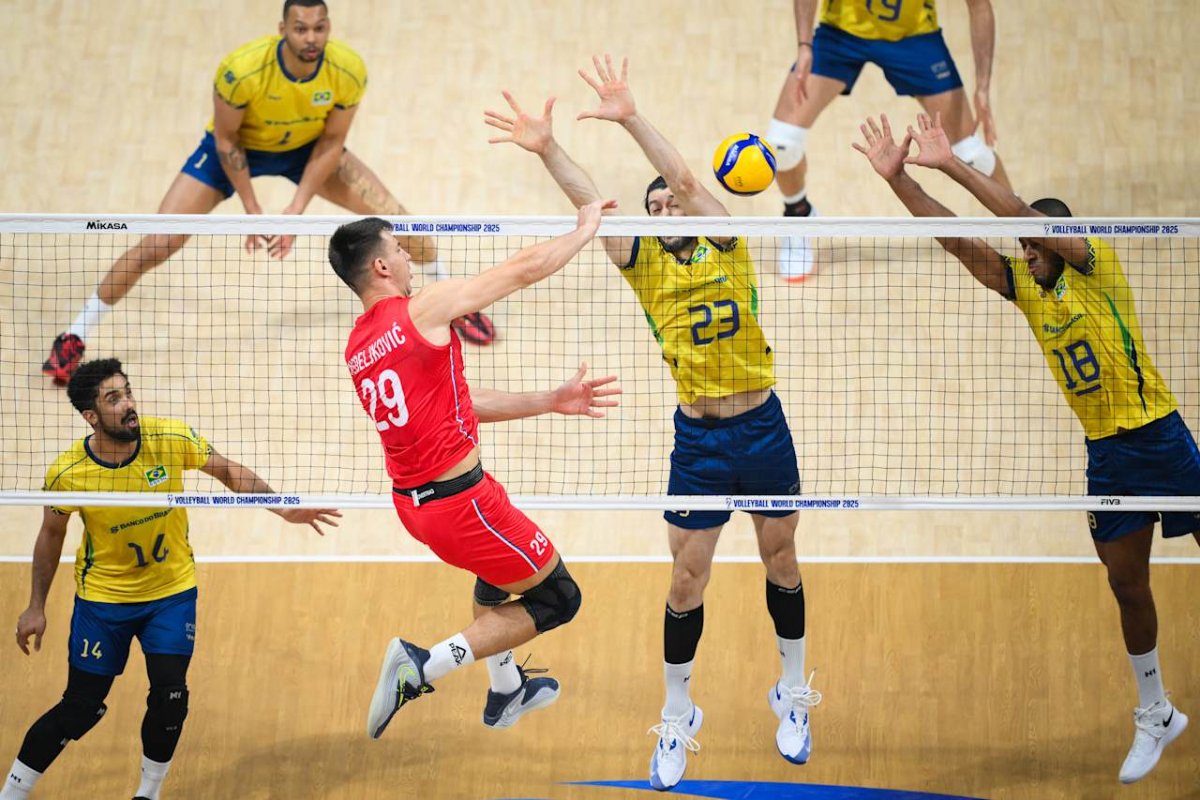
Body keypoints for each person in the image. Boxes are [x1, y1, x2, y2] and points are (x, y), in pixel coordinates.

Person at [484, 55, 819, 790]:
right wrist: (546, 148)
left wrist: (632, 115)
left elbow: (692, 182)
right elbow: (591, 202)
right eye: (655, 204)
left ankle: (792, 692)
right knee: (685, 582)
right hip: (699, 440)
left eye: (672, 200)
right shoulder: (641, 264)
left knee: (782, 561)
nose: (667, 206)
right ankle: (677, 716)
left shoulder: (726, 247)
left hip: (762, 427)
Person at [855, 111, 1198, 784]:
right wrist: (899, 180)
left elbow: (1014, 206)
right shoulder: (1026, 290)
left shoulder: (1093, 268)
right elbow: (957, 238)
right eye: (1023, 246)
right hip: (1109, 456)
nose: (1024, 250)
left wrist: (950, 161)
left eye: (1034, 242)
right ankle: (1155, 711)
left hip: (1162, 438)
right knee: (1127, 585)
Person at [41, 0, 493, 387]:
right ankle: (75, 335)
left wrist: (296, 209)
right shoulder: (242, 70)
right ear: (283, 30)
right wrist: (253, 210)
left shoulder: (347, 70)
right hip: (236, 151)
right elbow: (225, 140)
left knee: (403, 223)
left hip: (306, 150)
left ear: (328, 28)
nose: (310, 37)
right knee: (157, 242)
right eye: (300, 28)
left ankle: (454, 301)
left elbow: (332, 143)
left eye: (319, 27)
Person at [327, 202, 620, 739]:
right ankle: (421, 665)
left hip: (420, 506)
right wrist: (584, 231)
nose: (407, 256)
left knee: (496, 576)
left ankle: (506, 690)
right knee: (559, 598)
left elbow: (457, 401)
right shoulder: (421, 308)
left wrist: (551, 399)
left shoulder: (359, 346)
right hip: (460, 505)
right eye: (398, 248)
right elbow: (522, 269)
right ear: (381, 268)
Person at [1, 358, 338, 800]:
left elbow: (227, 470)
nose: (129, 404)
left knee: (170, 696)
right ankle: (12, 792)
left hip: (170, 593)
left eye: (128, 392)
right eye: (113, 398)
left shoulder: (169, 438)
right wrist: (36, 606)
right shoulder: (68, 473)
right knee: (80, 709)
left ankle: (148, 792)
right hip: (104, 601)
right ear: (91, 416)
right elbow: (51, 535)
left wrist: (283, 506)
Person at [767, 0, 1011, 281]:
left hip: (913, 38)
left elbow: (979, 6)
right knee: (782, 145)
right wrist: (805, 44)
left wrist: (982, 87)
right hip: (841, 35)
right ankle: (798, 213)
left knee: (972, 154)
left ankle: (1028, 230)